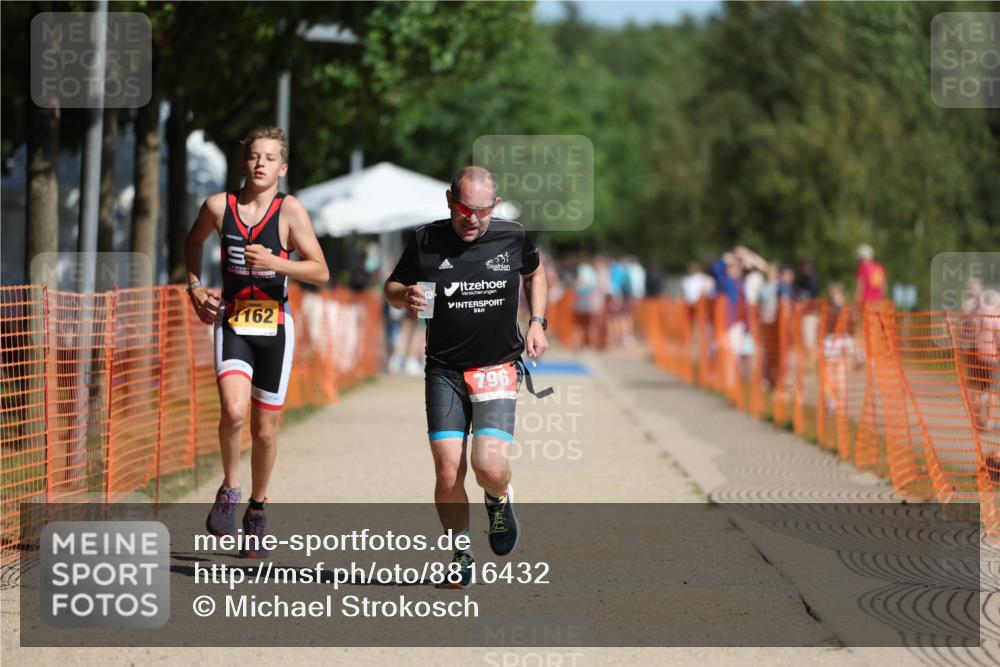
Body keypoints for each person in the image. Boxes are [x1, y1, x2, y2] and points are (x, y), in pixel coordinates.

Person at [384, 166, 549, 588]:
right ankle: (459, 553)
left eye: (481, 210)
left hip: (497, 366)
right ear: (449, 200)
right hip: (444, 370)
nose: (471, 219)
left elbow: (534, 272)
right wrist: (405, 296)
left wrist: (538, 322)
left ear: (494, 206)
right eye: (463, 209)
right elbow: (392, 286)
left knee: (489, 467)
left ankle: (498, 500)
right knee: (446, 472)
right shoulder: (425, 239)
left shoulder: (512, 236)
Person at [185, 126, 329, 557]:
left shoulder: (290, 212)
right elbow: (192, 243)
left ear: (282, 168)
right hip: (232, 321)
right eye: (254, 156)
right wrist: (194, 287)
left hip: (275, 328)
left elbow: (320, 271)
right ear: (244, 163)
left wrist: (275, 263)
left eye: (270, 158)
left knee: (264, 431)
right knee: (232, 411)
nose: (260, 163)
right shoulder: (218, 206)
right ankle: (230, 488)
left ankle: (258, 508)